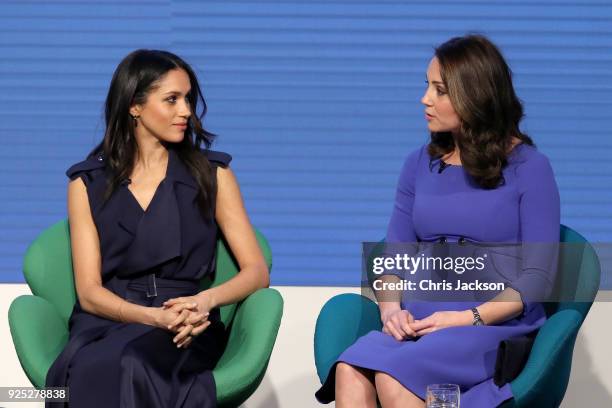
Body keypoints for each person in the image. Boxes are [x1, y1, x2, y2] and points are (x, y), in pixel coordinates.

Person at [315, 35, 560, 407]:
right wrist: (390, 309)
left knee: (393, 376)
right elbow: (394, 254)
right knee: (349, 369)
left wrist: (467, 318)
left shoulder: (530, 168)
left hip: (490, 325)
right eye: (426, 86)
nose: (424, 99)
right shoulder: (419, 164)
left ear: (475, 95)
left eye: (439, 90)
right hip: (420, 320)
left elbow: (538, 279)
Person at [45, 50, 269, 407]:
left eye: (188, 99)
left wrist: (203, 301)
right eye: (172, 100)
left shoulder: (213, 174)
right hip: (110, 318)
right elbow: (88, 292)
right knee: (97, 365)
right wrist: (151, 317)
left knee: (133, 361)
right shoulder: (86, 182)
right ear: (134, 105)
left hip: (185, 322)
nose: (186, 111)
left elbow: (257, 272)